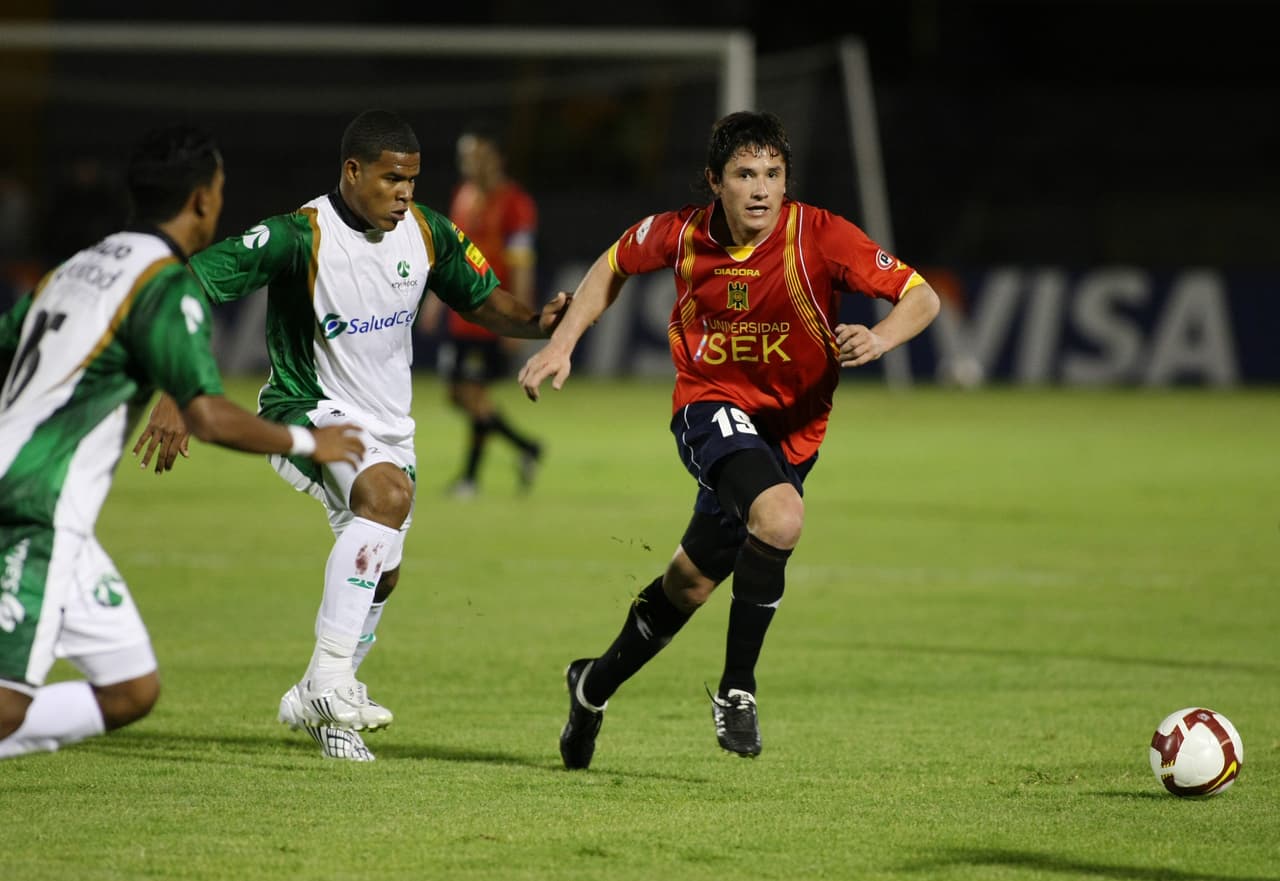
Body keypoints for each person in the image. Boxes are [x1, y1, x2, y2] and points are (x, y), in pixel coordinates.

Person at [137, 109, 571, 762]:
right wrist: (175, 386)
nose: (404, 193)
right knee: (386, 498)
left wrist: (540, 322)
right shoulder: (297, 236)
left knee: (383, 573)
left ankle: (318, 694)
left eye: (413, 181)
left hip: (390, 426)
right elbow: (192, 280)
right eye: (392, 179)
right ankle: (334, 682)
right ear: (353, 171)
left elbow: (480, 298)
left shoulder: (427, 232)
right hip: (306, 408)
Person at [519, 110, 942, 769]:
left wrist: (882, 337)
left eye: (773, 174)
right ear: (714, 181)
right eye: (745, 174)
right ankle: (738, 689)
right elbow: (611, 264)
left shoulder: (823, 236)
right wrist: (564, 341)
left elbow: (920, 296)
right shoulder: (681, 234)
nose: (761, 189)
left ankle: (591, 685)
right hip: (708, 409)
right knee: (780, 516)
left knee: (687, 586)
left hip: (788, 438)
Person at [0, 124, 366, 760]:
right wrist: (312, 444)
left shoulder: (76, 267)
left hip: (51, 508)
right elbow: (208, 416)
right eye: (220, 190)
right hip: (35, 505)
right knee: (9, 701)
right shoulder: (163, 284)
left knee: (130, 689)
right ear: (201, 200)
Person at [418, 121, 544, 498]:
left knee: (471, 394)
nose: (472, 164)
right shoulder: (464, 196)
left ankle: (470, 480)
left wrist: (518, 321)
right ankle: (526, 448)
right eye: (466, 158)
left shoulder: (516, 204)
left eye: (480, 156)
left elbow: (522, 263)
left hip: (492, 312)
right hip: (462, 313)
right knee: (461, 395)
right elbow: (451, 256)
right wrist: (433, 301)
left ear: (497, 158)